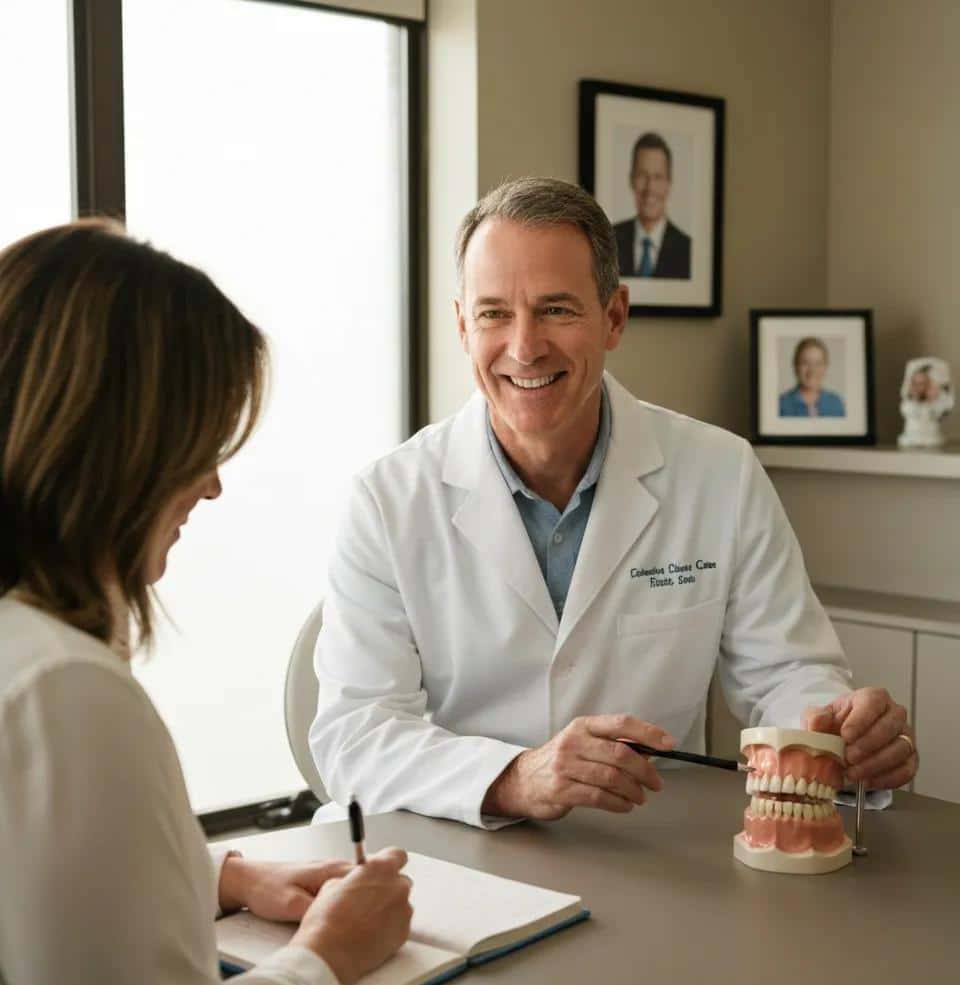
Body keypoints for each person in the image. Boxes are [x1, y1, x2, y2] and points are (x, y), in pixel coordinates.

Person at [309, 177, 917, 830]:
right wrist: (516, 777)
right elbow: (355, 734)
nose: (523, 346)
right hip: (464, 843)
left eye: (556, 310)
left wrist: (835, 735)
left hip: (655, 844)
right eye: (494, 313)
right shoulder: (388, 499)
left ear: (615, 317)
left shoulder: (720, 473)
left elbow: (787, 673)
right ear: (462, 324)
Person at [0, 221, 412, 985]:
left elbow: (0, 874)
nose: (214, 487)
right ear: (119, 447)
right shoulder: (57, 695)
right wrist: (329, 956)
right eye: (200, 443)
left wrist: (221, 874)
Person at [612, 132, 691, 279]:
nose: (650, 188)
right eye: (642, 175)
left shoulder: (687, 248)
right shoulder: (610, 241)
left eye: (658, 177)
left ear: (669, 183)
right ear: (631, 179)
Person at [778, 337, 846, 417]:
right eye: (805, 363)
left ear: (825, 367)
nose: (812, 370)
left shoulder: (836, 404)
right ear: (795, 366)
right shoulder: (781, 405)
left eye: (818, 364)